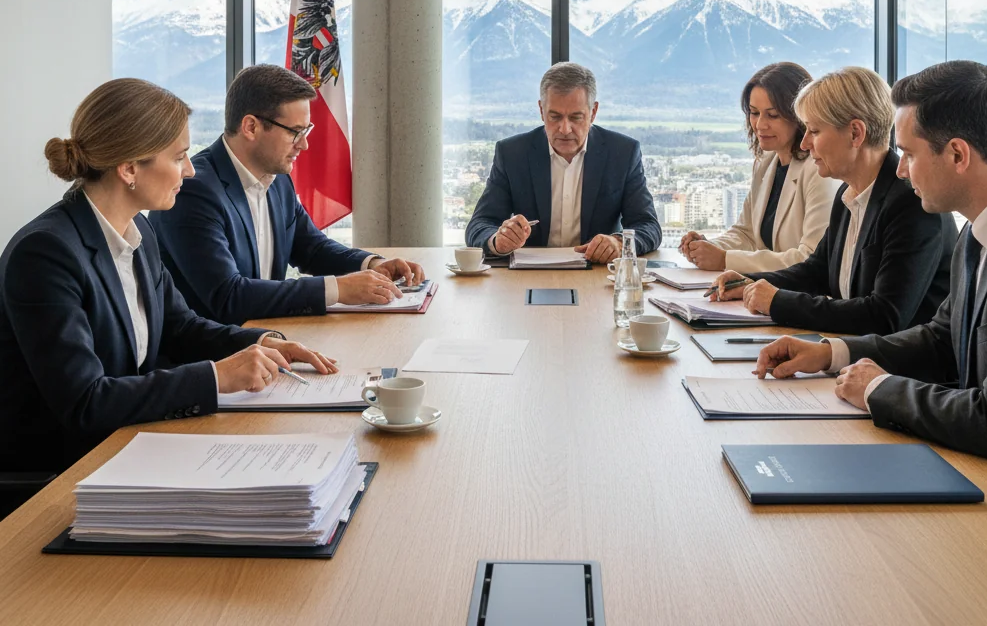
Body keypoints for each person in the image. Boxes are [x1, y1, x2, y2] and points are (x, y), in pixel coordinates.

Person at [0, 79, 336, 476]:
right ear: (128, 169)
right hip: (64, 474)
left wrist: (262, 341)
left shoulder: (138, 233)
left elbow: (181, 326)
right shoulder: (45, 253)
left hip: (131, 444)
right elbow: (85, 402)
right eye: (179, 157)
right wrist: (216, 377)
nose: (191, 170)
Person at [755, 60, 987, 475]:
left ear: (957, 154)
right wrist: (831, 354)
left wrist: (878, 388)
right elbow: (941, 339)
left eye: (910, 154)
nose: (899, 168)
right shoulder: (979, 231)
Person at [150, 65, 424, 326]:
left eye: (306, 131)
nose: (304, 144)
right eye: (295, 132)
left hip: (267, 341)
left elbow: (311, 248)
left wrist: (373, 264)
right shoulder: (193, 189)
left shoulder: (278, 178)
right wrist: (337, 289)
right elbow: (228, 296)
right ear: (251, 127)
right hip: (213, 358)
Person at [708, 66, 955, 335]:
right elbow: (817, 270)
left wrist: (777, 301)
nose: (804, 143)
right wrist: (750, 282)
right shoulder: (849, 193)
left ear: (855, 134)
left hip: (898, 371)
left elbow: (883, 316)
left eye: (813, 131)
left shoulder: (910, 203)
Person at [465, 62, 661, 262]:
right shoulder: (512, 154)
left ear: (593, 112)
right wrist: (498, 240)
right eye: (555, 117)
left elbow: (648, 226)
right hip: (527, 275)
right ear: (541, 110)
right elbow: (479, 225)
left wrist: (619, 243)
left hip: (598, 275)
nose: (565, 129)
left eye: (576, 117)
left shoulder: (623, 153)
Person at [679, 62, 838, 273]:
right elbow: (746, 234)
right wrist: (707, 247)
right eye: (754, 113)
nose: (760, 125)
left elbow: (810, 258)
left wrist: (725, 260)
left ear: (800, 116)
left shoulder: (820, 172)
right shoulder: (766, 162)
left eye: (772, 115)